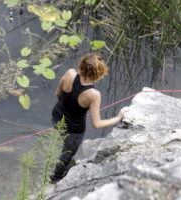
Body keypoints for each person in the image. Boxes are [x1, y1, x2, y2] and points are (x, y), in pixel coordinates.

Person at [50, 53, 128, 183]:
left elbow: (58, 94)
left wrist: (72, 106)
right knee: (67, 153)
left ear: (81, 65)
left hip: (57, 116)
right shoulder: (93, 95)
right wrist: (119, 117)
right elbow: (96, 124)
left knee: (61, 137)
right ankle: (56, 177)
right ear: (99, 74)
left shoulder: (69, 73)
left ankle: (60, 162)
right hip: (73, 131)